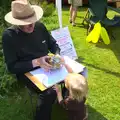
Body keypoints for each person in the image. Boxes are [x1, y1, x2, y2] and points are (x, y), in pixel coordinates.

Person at [2, 0, 60, 120]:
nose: (31, 25)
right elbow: (12, 67)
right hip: (27, 71)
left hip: (48, 65)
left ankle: (68, 103)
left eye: (32, 21)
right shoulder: (9, 36)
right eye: (26, 23)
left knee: (76, 73)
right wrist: (37, 62)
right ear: (17, 22)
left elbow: (53, 43)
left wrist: (57, 55)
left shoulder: (39, 26)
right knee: (49, 93)